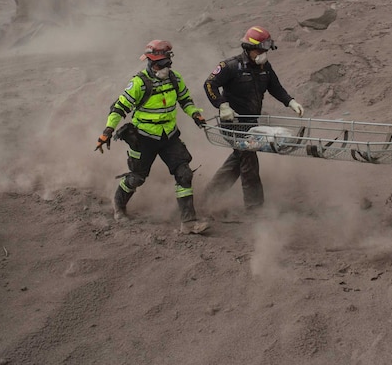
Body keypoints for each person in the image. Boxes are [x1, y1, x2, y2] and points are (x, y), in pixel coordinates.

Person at [96, 40, 209, 234]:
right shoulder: (139, 83)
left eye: (166, 63)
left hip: (169, 137)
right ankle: (119, 206)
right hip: (143, 138)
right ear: (149, 62)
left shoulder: (175, 79)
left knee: (184, 174)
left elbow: (185, 100)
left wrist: (195, 115)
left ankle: (188, 223)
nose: (163, 67)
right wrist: (107, 132)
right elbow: (119, 108)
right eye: (158, 64)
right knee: (137, 178)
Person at [203, 26, 304, 212]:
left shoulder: (265, 68)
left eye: (265, 51)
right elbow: (210, 84)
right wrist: (222, 105)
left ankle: (208, 197)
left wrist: (290, 102)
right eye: (260, 50)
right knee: (249, 161)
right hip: (232, 124)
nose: (263, 54)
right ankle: (255, 209)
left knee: (237, 160)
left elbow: (276, 87)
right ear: (248, 48)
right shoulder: (231, 66)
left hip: (250, 124)